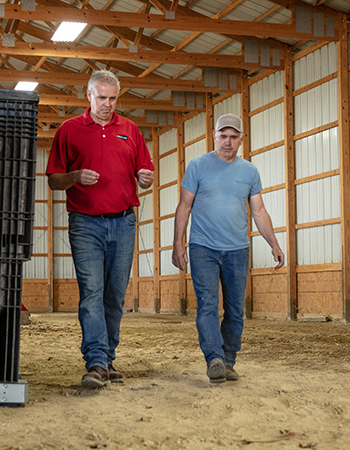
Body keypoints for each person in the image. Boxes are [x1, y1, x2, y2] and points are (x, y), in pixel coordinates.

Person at [46, 70, 155, 388]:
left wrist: (146, 178)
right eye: (102, 98)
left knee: (114, 296)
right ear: (89, 96)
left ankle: (106, 359)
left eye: (113, 98)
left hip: (124, 222)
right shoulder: (69, 130)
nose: (108, 104)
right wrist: (75, 176)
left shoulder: (130, 130)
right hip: (85, 223)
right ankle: (95, 362)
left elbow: (143, 171)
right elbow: (54, 179)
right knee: (91, 293)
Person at [172, 113, 285, 384]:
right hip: (203, 248)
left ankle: (229, 359)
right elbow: (184, 206)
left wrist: (274, 244)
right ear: (214, 136)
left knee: (235, 309)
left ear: (241, 140)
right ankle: (214, 358)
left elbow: (258, 211)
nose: (228, 142)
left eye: (234, 137)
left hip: (237, 250)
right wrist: (178, 243)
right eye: (223, 136)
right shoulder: (198, 166)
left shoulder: (250, 171)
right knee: (207, 305)